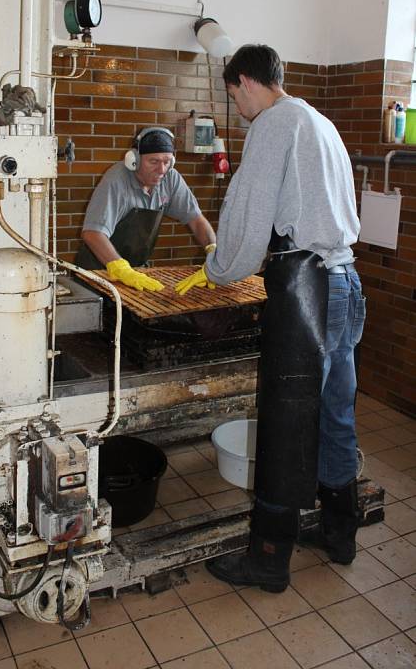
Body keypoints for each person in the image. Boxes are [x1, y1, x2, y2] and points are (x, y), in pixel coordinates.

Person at [176, 44, 365, 593]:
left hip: (306, 287)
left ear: (245, 82)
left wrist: (217, 270)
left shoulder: (274, 125)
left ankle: (267, 559)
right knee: (335, 412)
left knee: (286, 424)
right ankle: (339, 530)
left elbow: (248, 215)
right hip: (345, 282)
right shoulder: (319, 120)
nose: (236, 109)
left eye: (233, 96)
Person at [76, 126, 217, 290]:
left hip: (135, 270)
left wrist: (213, 253)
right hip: (99, 271)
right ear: (133, 160)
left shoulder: (170, 178)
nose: (162, 170)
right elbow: (92, 233)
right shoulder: (116, 180)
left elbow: (196, 220)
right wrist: (121, 269)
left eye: (167, 162)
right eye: (154, 162)